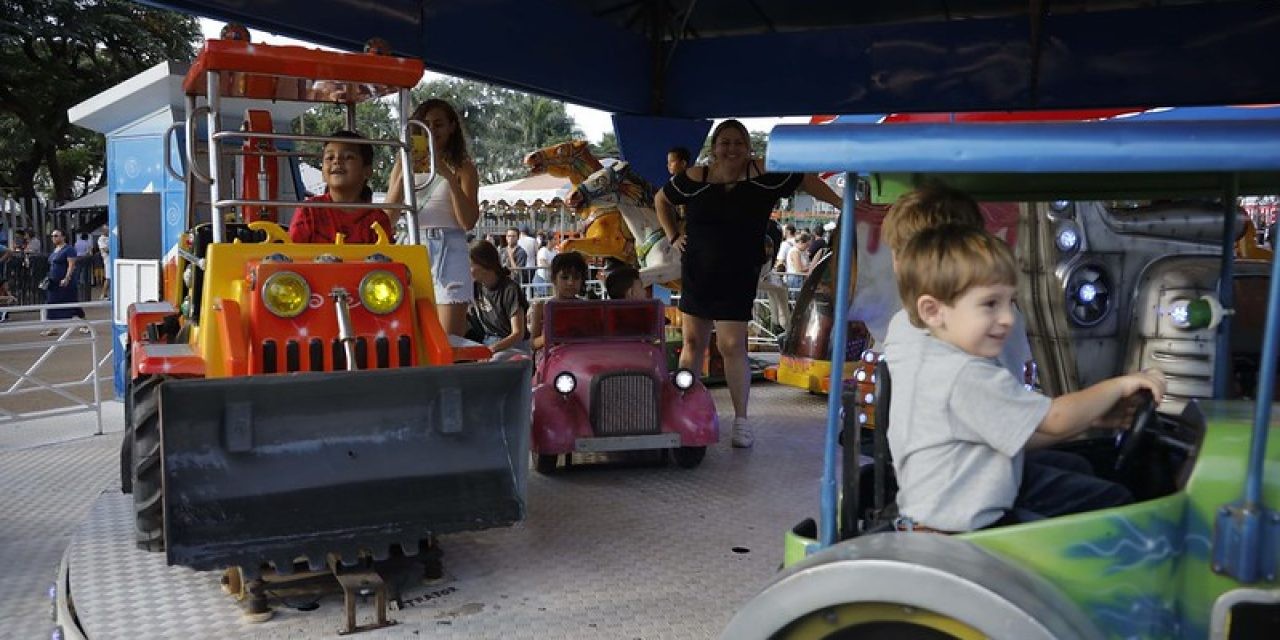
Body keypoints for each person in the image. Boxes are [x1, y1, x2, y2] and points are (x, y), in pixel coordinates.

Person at [887, 225, 1165, 533]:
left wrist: (1091, 419)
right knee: (1117, 503)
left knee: (1078, 468)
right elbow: (1056, 418)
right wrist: (1121, 384)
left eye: (1010, 302)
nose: (1007, 318)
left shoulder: (941, 361)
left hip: (953, 515)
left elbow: (1016, 432)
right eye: (990, 304)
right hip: (967, 531)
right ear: (933, 311)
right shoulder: (965, 375)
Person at [655, 119, 842, 448]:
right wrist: (674, 235)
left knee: (731, 345)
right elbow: (661, 199)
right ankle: (685, 408)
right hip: (697, 272)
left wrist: (844, 204)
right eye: (724, 143)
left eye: (737, 143)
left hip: (737, 274)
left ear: (748, 147)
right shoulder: (697, 177)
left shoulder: (764, 176)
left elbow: (806, 181)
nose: (731, 149)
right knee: (692, 343)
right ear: (714, 148)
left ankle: (741, 420)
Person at [387, 99, 481, 337]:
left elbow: (468, 221)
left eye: (438, 125)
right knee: (407, 333)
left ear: (451, 127)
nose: (431, 131)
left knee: (449, 340)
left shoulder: (464, 168)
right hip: (411, 245)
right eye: (425, 125)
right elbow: (388, 217)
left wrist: (448, 176)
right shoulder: (402, 162)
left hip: (450, 250)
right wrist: (404, 174)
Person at [289, 130, 392, 244]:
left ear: (367, 171)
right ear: (323, 172)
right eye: (330, 157)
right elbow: (292, 255)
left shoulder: (377, 218)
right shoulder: (308, 211)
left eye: (348, 157)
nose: (337, 161)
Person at [467, 240, 531, 360]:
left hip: (513, 346)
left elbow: (518, 333)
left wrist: (491, 349)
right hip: (488, 341)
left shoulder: (510, 289)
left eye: (470, 265)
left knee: (495, 361)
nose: (466, 270)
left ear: (484, 265)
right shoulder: (475, 287)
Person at [529, 250, 589, 351]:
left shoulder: (588, 308)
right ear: (553, 278)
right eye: (564, 277)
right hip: (552, 361)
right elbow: (533, 344)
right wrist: (550, 336)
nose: (570, 282)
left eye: (576, 278)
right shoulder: (541, 307)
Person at [43, 229, 85, 335]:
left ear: (63, 237)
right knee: (51, 302)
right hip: (53, 281)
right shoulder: (55, 250)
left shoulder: (69, 249)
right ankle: (53, 328)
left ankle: (84, 324)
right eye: (52, 236)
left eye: (56, 235)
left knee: (72, 303)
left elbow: (71, 265)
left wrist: (67, 278)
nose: (54, 238)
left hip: (65, 282)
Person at [96, 230, 110, 299]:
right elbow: (106, 250)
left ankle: (106, 294)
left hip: (111, 259)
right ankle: (103, 294)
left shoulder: (110, 237)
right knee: (108, 278)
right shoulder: (101, 239)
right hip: (107, 260)